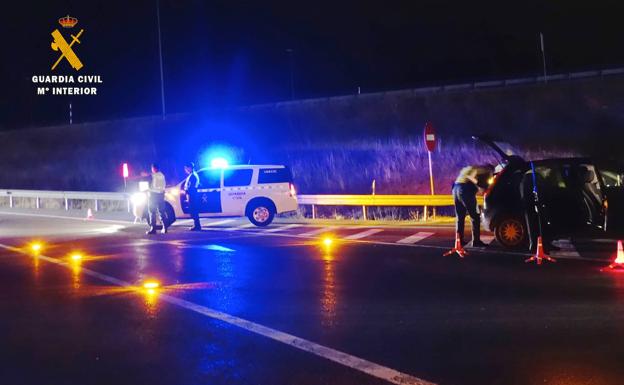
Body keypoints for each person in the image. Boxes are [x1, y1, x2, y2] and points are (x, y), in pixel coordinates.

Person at [452, 164, 494, 247]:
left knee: (460, 217)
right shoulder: (480, 169)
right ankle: (476, 241)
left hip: (455, 188)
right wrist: (480, 184)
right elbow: (470, 177)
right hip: (465, 190)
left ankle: (459, 241)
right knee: (475, 217)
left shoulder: (467, 167)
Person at [146, 163, 168, 235]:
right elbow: (163, 185)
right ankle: (165, 228)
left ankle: (153, 228)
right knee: (162, 211)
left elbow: (148, 186)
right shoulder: (162, 175)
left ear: (153, 168)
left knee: (152, 212)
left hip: (153, 195)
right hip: (161, 195)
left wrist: (148, 190)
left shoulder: (152, 176)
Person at [182, 162, 201, 231]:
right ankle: (196, 225)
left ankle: (197, 226)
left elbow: (191, 187)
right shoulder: (192, 175)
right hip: (191, 194)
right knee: (193, 210)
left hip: (192, 195)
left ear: (189, 168)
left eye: (186, 168)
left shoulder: (193, 176)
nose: (185, 170)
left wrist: (187, 192)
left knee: (194, 210)